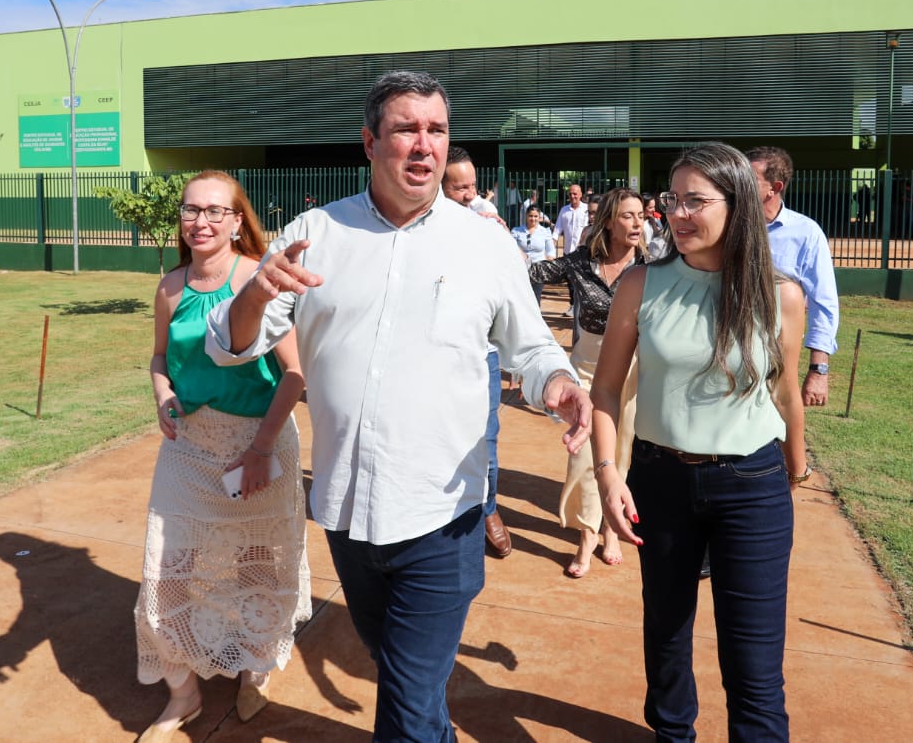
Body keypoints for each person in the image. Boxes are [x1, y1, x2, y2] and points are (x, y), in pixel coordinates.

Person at [205, 70, 592, 742]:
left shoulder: (485, 244)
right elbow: (228, 345)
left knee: (407, 707)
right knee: (408, 680)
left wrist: (556, 384)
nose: (424, 145)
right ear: (369, 141)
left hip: (443, 515)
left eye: (436, 129)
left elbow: (532, 349)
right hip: (349, 512)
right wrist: (255, 293)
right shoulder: (315, 232)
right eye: (406, 129)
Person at [593, 142, 809, 740]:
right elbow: (607, 390)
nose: (678, 214)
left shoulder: (780, 293)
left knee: (754, 664)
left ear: (737, 205)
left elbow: (786, 394)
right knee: (666, 637)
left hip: (753, 487)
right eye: (673, 200)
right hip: (659, 482)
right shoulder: (642, 284)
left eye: (696, 201)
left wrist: (797, 469)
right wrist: (609, 472)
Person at [135, 170, 311, 742]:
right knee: (168, 569)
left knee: (258, 564)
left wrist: (260, 450)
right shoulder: (169, 287)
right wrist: (163, 395)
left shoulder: (261, 281)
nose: (201, 222)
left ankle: (254, 672)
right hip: (189, 448)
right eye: (190, 211)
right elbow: (160, 358)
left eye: (215, 211)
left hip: (259, 443)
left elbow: (295, 374)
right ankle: (182, 694)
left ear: (238, 221)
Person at [529, 188, 646, 578]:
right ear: (609, 221)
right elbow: (533, 273)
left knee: (622, 453)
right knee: (582, 456)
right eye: (628, 216)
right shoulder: (581, 262)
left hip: (632, 373)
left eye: (641, 216)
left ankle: (611, 529)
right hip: (587, 372)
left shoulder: (650, 267)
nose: (637, 222)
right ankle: (586, 535)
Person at [443, 145, 514, 559]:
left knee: (485, 439)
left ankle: (488, 510)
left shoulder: (485, 219)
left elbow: (513, 279)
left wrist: (497, 238)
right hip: (433, 354)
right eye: (459, 188)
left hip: (481, 352)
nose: (470, 195)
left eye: (472, 186)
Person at [747, 147, 839, 408]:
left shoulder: (806, 234)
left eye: (748, 178)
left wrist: (818, 371)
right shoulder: (725, 225)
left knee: (777, 430)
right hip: (721, 350)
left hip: (777, 359)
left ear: (774, 187)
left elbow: (823, 302)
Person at [553, 183, 589, 319]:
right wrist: (552, 245)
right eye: (570, 194)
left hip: (584, 252)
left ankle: (583, 306)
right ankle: (573, 305)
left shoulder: (586, 210)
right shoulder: (564, 210)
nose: (573, 196)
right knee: (570, 280)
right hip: (568, 252)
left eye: (575, 193)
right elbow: (557, 230)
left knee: (584, 281)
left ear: (580, 194)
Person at [513, 205, 556, 304]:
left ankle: (535, 318)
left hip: (538, 269)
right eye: (530, 216)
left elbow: (550, 251)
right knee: (520, 296)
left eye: (536, 216)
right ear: (526, 216)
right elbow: (511, 248)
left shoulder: (545, 232)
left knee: (536, 296)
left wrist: (549, 261)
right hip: (521, 268)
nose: (533, 219)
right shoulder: (516, 231)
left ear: (539, 217)